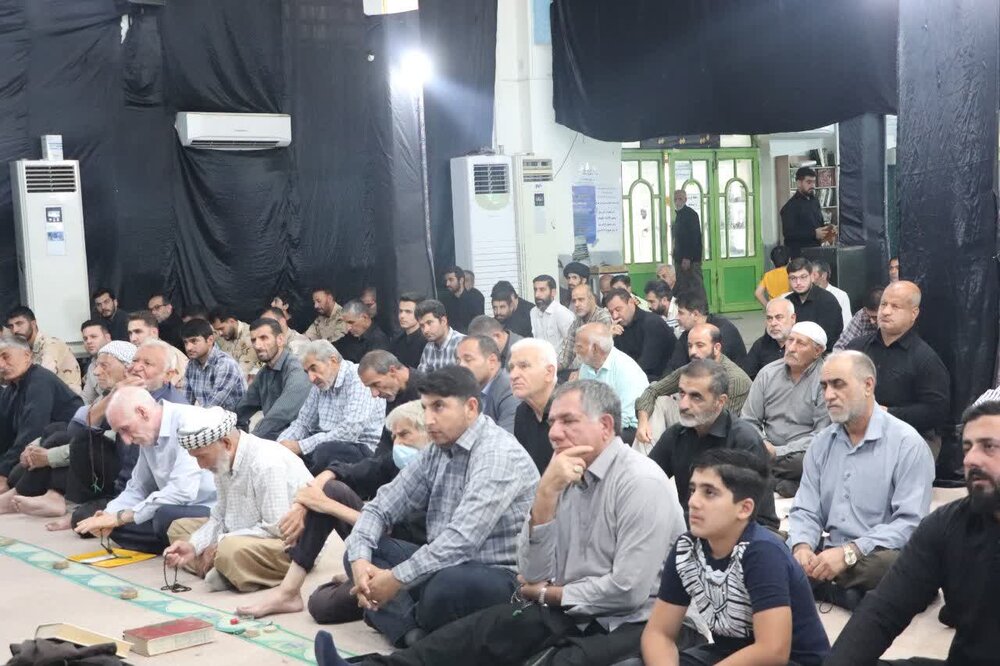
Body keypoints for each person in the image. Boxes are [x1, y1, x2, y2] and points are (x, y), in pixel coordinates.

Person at [319, 379, 687, 666]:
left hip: (634, 619)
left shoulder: (640, 482)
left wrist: (547, 595)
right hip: (571, 607)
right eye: (553, 422)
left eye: (568, 422)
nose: (554, 432)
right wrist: (545, 498)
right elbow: (533, 571)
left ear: (605, 426)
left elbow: (628, 591)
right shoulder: (564, 475)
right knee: (478, 633)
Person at [342, 366, 539, 647]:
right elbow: (380, 506)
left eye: (439, 407)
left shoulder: (497, 454)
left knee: (446, 586)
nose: (429, 420)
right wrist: (361, 563)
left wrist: (397, 578)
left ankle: (403, 621)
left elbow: (462, 541)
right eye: (425, 408)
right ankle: (413, 634)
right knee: (359, 550)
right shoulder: (438, 449)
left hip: (497, 576)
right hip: (443, 564)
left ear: (471, 407)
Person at [825, 394, 1000, 666]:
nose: (971, 459)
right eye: (967, 447)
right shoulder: (946, 525)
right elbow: (882, 612)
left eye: (989, 446)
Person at [238, 400, 431, 621]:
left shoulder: (438, 471)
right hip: (377, 544)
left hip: (409, 559)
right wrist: (305, 501)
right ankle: (289, 592)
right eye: (394, 437)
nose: (398, 444)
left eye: (405, 435)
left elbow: (390, 530)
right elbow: (351, 471)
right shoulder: (396, 463)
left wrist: (325, 505)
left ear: (429, 433)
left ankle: (375, 591)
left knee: (331, 504)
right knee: (320, 605)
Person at [643, 449, 830, 666]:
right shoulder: (687, 548)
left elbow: (773, 650)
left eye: (709, 493)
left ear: (744, 508)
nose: (693, 501)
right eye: (693, 490)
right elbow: (659, 633)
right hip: (726, 654)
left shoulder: (762, 553)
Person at [788, 351, 935, 610]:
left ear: (868, 385)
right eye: (824, 386)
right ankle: (837, 587)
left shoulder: (907, 444)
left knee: (889, 566)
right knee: (765, 542)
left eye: (838, 384)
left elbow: (910, 524)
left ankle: (816, 582)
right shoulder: (822, 443)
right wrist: (802, 547)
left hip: (875, 553)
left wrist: (849, 553)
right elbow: (806, 508)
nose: (829, 395)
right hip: (829, 547)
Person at [163, 407, 313, 592]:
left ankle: (224, 566)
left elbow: (276, 529)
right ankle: (223, 567)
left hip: (289, 543)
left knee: (230, 549)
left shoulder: (267, 463)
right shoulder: (222, 461)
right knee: (178, 528)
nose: (200, 465)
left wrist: (220, 543)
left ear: (226, 443)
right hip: (241, 531)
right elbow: (219, 517)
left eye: (202, 456)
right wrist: (194, 546)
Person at [56, 339, 189, 532]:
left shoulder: (174, 410)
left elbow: (169, 486)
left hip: (159, 494)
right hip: (128, 483)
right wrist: (113, 395)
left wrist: (119, 515)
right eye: (135, 361)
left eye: (147, 364)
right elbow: (76, 430)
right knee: (81, 440)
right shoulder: (126, 392)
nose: (137, 368)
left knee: (95, 522)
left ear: (168, 375)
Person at [0, 342, 136, 519]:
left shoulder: (133, 398)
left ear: (127, 369)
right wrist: (32, 448)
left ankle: (48, 496)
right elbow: (72, 428)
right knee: (54, 434)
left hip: (115, 472)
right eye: (97, 365)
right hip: (80, 453)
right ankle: (39, 494)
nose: (96, 372)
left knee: (66, 439)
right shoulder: (106, 395)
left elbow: (98, 442)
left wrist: (49, 457)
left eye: (104, 366)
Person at [73, 387, 216, 554]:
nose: (126, 440)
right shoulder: (148, 433)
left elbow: (182, 492)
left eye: (125, 429)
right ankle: (176, 542)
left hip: (208, 508)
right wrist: (108, 515)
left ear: (142, 412)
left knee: (163, 516)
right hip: (175, 508)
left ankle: (192, 543)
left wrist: (121, 517)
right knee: (109, 524)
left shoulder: (189, 423)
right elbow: (138, 487)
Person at [648, 359, 779, 530]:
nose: (683, 405)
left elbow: (763, 521)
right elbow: (645, 482)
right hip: (687, 531)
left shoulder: (745, 441)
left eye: (696, 396)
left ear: (720, 401)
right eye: (682, 393)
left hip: (735, 536)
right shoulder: (675, 435)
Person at [847, 281, 950, 457]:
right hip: (857, 431)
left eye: (895, 307)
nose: (886, 311)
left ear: (913, 313)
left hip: (909, 438)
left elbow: (936, 411)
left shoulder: (925, 359)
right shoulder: (857, 348)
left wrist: (888, 413)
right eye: (884, 304)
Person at [741, 322, 830, 497]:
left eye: (800, 343)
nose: (791, 348)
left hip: (800, 452)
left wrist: (779, 452)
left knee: (809, 461)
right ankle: (785, 483)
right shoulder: (768, 373)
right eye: (790, 340)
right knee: (736, 446)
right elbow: (749, 419)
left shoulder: (826, 380)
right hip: (765, 447)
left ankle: (763, 477)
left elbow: (822, 434)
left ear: (817, 351)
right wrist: (763, 444)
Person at [635, 324, 753, 448]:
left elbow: (720, 426)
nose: (693, 352)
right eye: (690, 346)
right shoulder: (692, 370)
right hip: (690, 424)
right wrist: (643, 422)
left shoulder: (734, 379)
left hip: (720, 443)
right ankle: (647, 456)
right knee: (661, 401)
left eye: (700, 345)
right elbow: (653, 390)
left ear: (716, 348)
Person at [0, 335, 83, 509]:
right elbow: (4, 434)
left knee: (14, 474)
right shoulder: (12, 389)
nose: (1, 364)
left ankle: (32, 497)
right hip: (36, 448)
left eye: (6, 357)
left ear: (27, 356)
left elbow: (33, 431)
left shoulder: (40, 380)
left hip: (67, 450)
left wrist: (3, 473)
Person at [277, 340, 385, 472]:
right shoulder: (319, 385)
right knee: (280, 448)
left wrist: (300, 446)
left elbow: (349, 431)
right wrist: (280, 444)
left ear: (333, 360)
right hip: (324, 444)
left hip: (361, 448)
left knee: (323, 452)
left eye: (314, 368)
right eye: (307, 372)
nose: (311, 378)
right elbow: (303, 423)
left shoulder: (358, 378)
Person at [235, 318, 311, 440]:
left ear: (280, 340)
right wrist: (224, 425)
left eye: (264, 338)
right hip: (274, 437)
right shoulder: (264, 373)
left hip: (299, 440)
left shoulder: (296, 369)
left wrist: (250, 440)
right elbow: (243, 407)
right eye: (254, 340)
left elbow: (281, 414)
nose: (257, 345)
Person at [575, 323, 648, 444]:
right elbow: (583, 404)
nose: (575, 351)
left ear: (595, 349)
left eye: (579, 347)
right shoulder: (586, 366)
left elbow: (625, 418)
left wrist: (592, 432)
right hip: (598, 423)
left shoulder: (626, 369)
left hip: (628, 430)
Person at [665, 291, 746, 373]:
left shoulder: (721, 332)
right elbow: (674, 366)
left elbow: (712, 371)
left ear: (695, 314)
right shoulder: (689, 332)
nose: (677, 317)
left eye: (681, 313)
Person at [509, 338, 558, 474]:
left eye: (524, 366)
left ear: (549, 373)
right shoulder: (522, 412)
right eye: (511, 368)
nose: (513, 375)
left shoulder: (571, 410)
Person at [6, 306, 81, 394]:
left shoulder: (51, 345)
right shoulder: (25, 349)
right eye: (11, 326)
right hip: (45, 396)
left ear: (33, 324)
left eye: (19, 324)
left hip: (66, 399)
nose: (15, 330)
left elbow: (42, 379)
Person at [605, 287, 675, 381]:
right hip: (633, 379)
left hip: (659, 381)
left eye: (618, 309)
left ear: (631, 302)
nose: (615, 316)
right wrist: (609, 340)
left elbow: (647, 365)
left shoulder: (652, 323)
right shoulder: (617, 329)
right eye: (611, 312)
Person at [456, 336, 519, 433]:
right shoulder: (465, 389)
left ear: (492, 361)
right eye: (458, 361)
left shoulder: (510, 390)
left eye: (468, 359)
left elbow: (505, 438)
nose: (461, 366)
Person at [182, 318, 246, 410]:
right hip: (208, 416)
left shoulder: (225, 364)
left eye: (194, 341)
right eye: (185, 342)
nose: (188, 348)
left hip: (235, 418)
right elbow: (185, 403)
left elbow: (213, 406)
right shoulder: (191, 365)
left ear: (210, 340)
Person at [784, 257, 844, 351]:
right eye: (793, 278)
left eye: (803, 277)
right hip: (790, 350)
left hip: (821, 354)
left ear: (812, 276)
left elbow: (830, 339)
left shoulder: (828, 301)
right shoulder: (786, 302)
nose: (798, 283)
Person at [557, 284, 613, 374]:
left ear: (592, 299)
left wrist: (580, 373)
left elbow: (601, 355)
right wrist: (550, 369)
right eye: (574, 301)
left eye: (581, 299)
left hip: (603, 371)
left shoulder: (603, 317)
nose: (577, 304)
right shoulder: (577, 322)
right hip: (584, 370)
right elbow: (567, 357)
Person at [126, 310, 188, 388]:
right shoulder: (134, 353)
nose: (133, 338)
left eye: (138, 332)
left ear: (154, 332)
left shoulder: (170, 355)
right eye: (130, 333)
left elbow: (168, 389)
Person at [781, 166, 833, 258]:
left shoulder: (815, 201)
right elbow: (789, 234)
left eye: (813, 182)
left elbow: (818, 224)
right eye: (809, 182)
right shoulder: (790, 207)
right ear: (799, 183)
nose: (812, 186)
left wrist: (828, 230)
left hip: (817, 251)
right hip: (800, 255)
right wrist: (814, 234)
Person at [741, 298, 796, 380]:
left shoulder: (804, 344)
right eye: (769, 318)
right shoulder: (761, 344)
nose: (773, 323)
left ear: (793, 318)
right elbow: (747, 377)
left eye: (779, 317)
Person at [415, 299, 465, 372]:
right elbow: (421, 377)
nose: (425, 330)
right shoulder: (428, 348)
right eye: (422, 326)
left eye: (429, 323)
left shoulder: (463, 343)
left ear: (443, 321)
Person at [209, 307, 259, 379]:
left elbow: (242, 373)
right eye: (217, 330)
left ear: (232, 321)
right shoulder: (222, 336)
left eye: (221, 328)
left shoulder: (250, 337)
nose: (220, 333)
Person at [529, 274, 575, 351]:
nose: (537, 295)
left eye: (542, 290)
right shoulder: (533, 312)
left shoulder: (562, 313)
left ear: (553, 292)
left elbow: (572, 346)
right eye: (535, 290)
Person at [335, 299, 389, 363]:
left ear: (364, 317)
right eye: (345, 323)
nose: (348, 328)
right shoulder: (348, 337)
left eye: (351, 322)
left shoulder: (379, 340)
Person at [672, 189, 703, 293]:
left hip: (690, 261)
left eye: (680, 199)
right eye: (675, 199)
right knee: (683, 287)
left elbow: (693, 238)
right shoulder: (679, 215)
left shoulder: (691, 215)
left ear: (685, 200)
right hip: (680, 259)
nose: (677, 202)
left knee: (695, 286)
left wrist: (687, 257)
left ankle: (700, 305)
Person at [833, 286, 882, 351]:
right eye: (869, 316)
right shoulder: (862, 314)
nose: (872, 321)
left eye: (875, 317)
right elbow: (841, 346)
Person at [438, 266, 483, 334]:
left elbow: (479, 323)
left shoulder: (475, 298)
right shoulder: (444, 300)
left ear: (461, 280)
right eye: (446, 280)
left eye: (451, 280)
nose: (447, 284)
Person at [389, 293, 427, 369]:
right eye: (400, 311)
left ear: (420, 314)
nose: (402, 316)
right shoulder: (396, 341)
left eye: (408, 312)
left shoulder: (427, 341)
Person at [80, 320, 112, 404]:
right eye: (85, 339)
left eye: (93, 336)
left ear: (107, 338)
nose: (88, 341)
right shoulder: (92, 367)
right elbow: (86, 398)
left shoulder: (120, 360)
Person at [811, 260, 851, 327]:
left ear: (824, 275)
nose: (810, 278)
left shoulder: (840, 295)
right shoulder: (806, 295)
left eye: (814, 275)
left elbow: (846, 323)